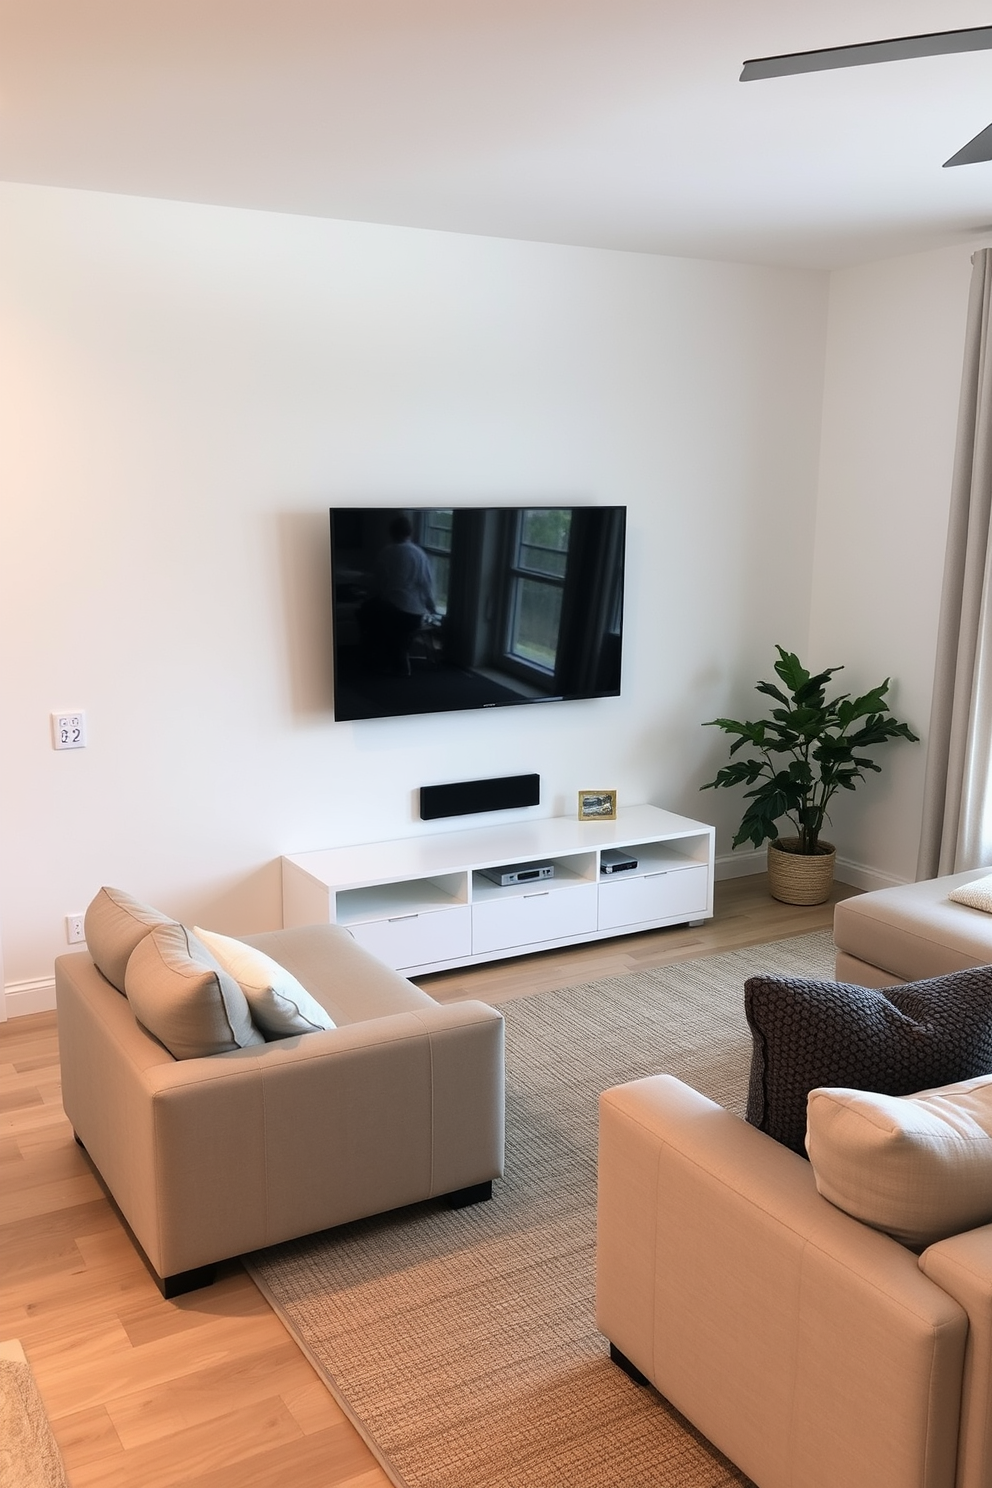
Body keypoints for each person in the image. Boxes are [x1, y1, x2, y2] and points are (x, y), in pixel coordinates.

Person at [360, 515, 438, 673]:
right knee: (397, 633)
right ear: (410, 532)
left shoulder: (386, 553)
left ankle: (374, 656)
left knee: (366, 611)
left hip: (393, 614)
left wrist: (366, 597)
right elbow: (427, 585)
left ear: (391, 533)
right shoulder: (420, 555)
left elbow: (377, 585)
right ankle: (397, 655)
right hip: (414, 616)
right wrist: (432, 609)